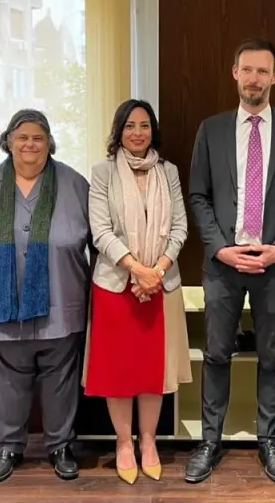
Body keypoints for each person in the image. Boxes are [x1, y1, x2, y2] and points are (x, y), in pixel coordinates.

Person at [185, 37, 275, 485]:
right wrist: (220, 247)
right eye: (247, 70)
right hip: (223, 264)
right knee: (217, 353)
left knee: (272, 355)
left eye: (262, 71)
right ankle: (209, 441)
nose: (254, 79)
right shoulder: (212, 129)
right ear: (234, 73)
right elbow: (198, 195)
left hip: (273, 264)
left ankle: (269, 441)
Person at [0, 109, 92, 484]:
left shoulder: (74, 184)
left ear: (49, 143)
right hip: (5, 303)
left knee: (61, 380)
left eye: (38, 137)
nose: (30, 144)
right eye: (22, 137)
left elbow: (98, 243)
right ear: (9, 142)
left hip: (62, 302)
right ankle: (8, 448)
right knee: (7, 382)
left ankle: (61, 446)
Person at [82, 99, 192, 484]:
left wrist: (156, 270)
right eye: (130, 125)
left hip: (160, 285)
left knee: (152, 370)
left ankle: (148, 440)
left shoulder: (168, 171)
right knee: (119, 370)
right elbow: (100, 232)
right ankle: (124, 443)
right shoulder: (102, 173)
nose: (137, 133)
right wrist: (137, 269)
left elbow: (180, 227)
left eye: (144, 125)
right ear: (119, 131)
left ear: (153, 131)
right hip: (116, 286)